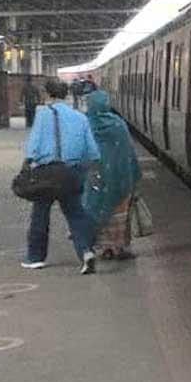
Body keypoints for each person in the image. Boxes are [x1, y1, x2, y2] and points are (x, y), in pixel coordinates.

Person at [20, 80, 101, 274]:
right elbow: (92, 151)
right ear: (66, 95)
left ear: (48, 94)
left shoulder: (43, 115)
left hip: (47, 172)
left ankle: (36, 257)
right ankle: (86, 252)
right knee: (75, 214)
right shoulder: (80, 118)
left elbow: (34, 145)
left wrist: (29, 161)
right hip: (71, 172)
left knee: (40, 214)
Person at [83, 90, 142, 260]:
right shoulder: (118, 125)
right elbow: (129, 151)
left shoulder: (87, 124)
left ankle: (103, 248)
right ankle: (120, 247)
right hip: (120, 177)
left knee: (99, 210)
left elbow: (83, 150)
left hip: (96, 178)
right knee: (120, 215)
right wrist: (134, 172)